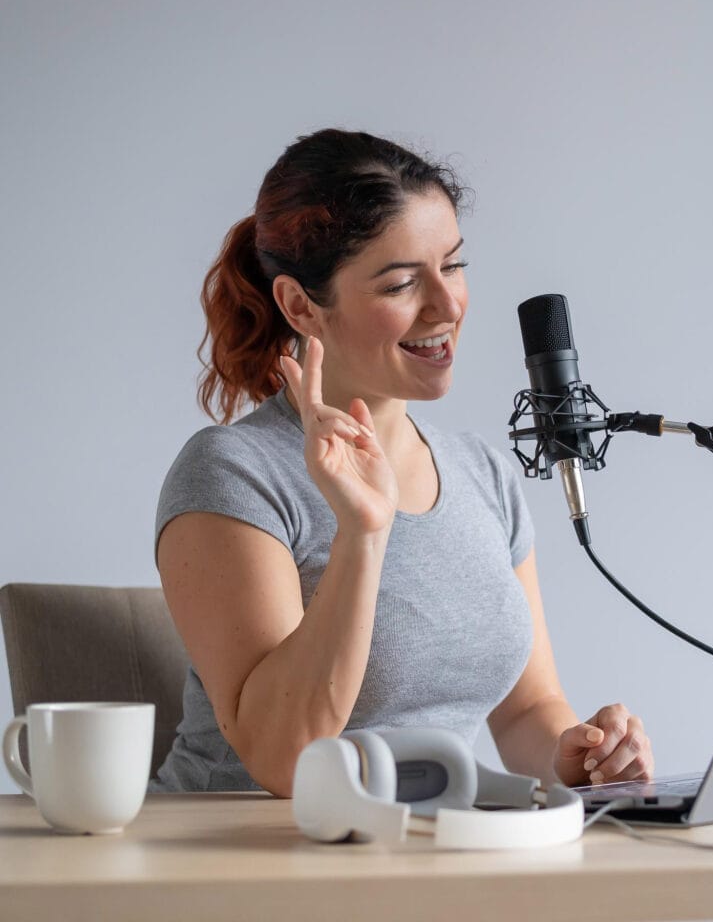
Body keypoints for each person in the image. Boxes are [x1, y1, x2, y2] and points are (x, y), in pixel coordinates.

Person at [152, 128, 654, 797]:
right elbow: (285, 762)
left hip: (421, 855)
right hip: (246, 863)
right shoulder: (233, 472)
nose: (447, 306)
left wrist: (582, 755)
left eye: (452, 265)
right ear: (302, 306)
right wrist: (363, 533)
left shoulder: (482, 472)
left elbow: (529, 712)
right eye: (401, 284)